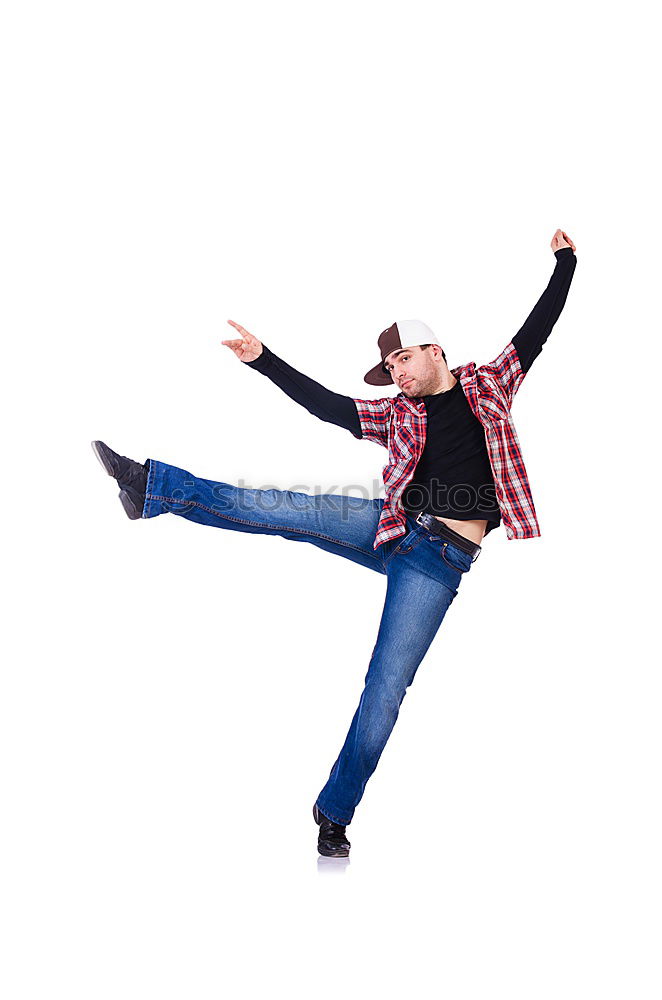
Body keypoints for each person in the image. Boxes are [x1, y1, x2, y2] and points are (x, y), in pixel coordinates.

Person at [92, 228, 577, 858]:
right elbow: (326, 405)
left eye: (403, 360)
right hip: (393, 526)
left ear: (434, 351)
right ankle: (151, 486)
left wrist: (566, 261)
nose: (395, 374)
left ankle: (334, 814)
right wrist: (263, 359)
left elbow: (539, 326)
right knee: (280, 508)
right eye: (390, 367)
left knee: (385, 687)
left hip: (439, 563)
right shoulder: (394, 412)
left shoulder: (490, 383)